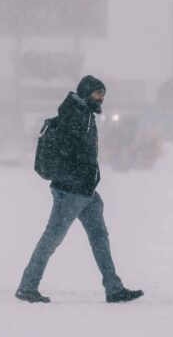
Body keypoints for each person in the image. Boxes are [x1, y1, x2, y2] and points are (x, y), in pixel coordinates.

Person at [16, 75, 143, 304]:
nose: (100, 99)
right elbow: (67, 153)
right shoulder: (73, 115)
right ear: (86, 92)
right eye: (97, 94)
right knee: (52, 238)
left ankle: (114, 288)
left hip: (86, 193)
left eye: (103, 95)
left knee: (99, 237)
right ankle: (27, 286)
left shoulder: (84, 114)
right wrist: (78, 178)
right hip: (70, 192)